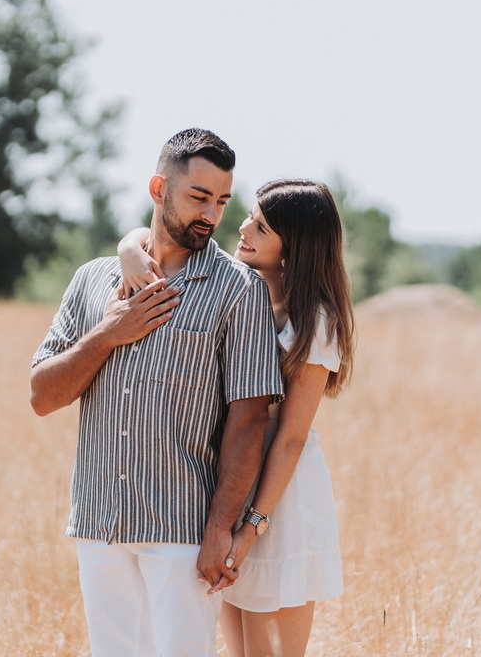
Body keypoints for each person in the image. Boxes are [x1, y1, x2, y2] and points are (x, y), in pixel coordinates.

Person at [29, 128, 283, 657]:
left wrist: (220, 530)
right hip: (99, 522)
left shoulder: (239, 290)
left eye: (220, 201)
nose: (210, 214)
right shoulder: (92, 281)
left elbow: (249, 420)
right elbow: (42, 395)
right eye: (198, 196)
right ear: (157, 188)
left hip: (183, 531)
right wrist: (106, 335)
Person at [118, 178, 356, 657]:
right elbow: (151, 237)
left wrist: (251, 527)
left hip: (278, 502)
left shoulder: (315, 320)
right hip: (227, 488)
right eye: (249, 215)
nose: (242, 227)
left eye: (262, 227)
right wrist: (127, 249)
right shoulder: (236, 290)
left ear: (294, 248)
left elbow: (290, 437)